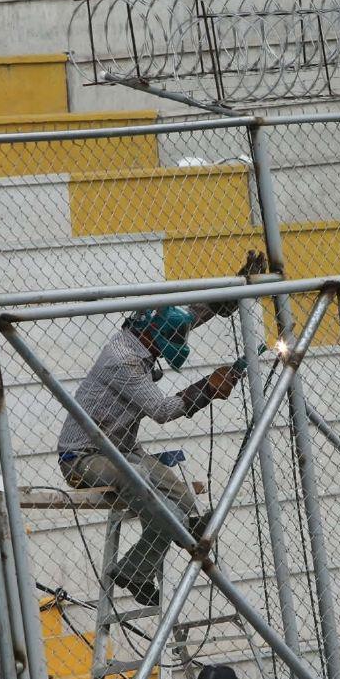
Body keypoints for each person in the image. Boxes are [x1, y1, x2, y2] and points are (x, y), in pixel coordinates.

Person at [57, 252, 267, 606]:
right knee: (145, 483)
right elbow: (163, 410)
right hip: (82, 458)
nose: (177, 342)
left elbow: (182, 320)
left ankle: (135, 571)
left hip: (121, 448)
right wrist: (207, 388)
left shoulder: (145, 333)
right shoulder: (122, 361)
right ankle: (179, 535)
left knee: (184, 501)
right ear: (154, 335)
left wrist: (230, 294)